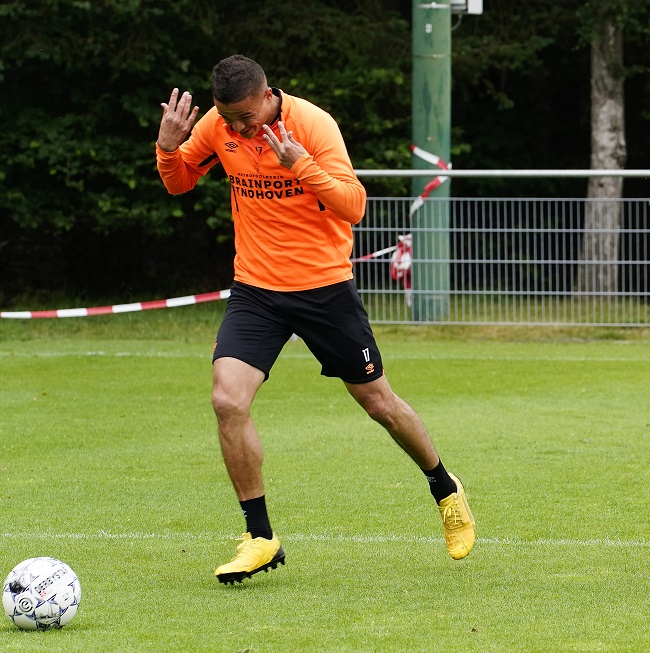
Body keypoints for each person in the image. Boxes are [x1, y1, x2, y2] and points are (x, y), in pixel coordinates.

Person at [155, 55, 474, 584]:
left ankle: (446, 489)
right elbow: (179, 182)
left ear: (265, 96)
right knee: (226, 400)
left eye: (243, 117)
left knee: (379, 404)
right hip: (256, 288)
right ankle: (260, 537)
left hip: (324, 289)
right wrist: (168, 147)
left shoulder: (313, 124)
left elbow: (354, 206)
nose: (234, 128)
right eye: (225, 118)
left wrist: (300, 164)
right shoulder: (219, 125)